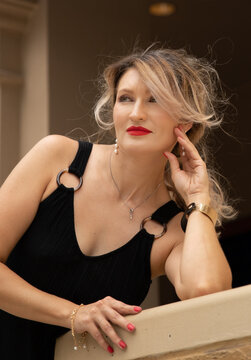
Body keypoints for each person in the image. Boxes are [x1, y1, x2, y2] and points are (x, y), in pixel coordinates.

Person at [0, 46, 234, 359]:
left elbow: (207, 293)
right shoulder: (56, 158)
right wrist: (74, 314)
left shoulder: (173, 230)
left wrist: (198, 200)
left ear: (186, 121)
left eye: (155, 99)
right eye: (126, 98)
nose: (137, 112)